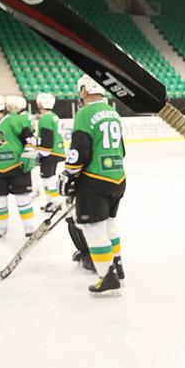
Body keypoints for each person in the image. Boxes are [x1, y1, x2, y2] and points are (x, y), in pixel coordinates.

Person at [60, 75, 126, 297]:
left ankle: (107, 277)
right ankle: (117, 268)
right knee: (109, 224)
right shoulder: (112, 112)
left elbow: (79, 149)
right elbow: (122, 150)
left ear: (84, 90)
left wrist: (69, 174)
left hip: (95, 180)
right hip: (117, 177)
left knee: (93, 228)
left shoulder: (85, 113)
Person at [0, 94, 37, 239]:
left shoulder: (14, 120)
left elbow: (29, 138)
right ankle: (1, 227)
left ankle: (29, 227)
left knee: (22, 198)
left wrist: (29, 150)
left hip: (17, 167)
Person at [33, 92, 65, 212]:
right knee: (49, 179)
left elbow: (47, 139)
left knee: (48, 179)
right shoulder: (54, 116)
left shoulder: (45, 118)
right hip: (57, 151)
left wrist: (40, 153)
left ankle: (55, 203)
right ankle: (51, 202)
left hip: (50, 153)